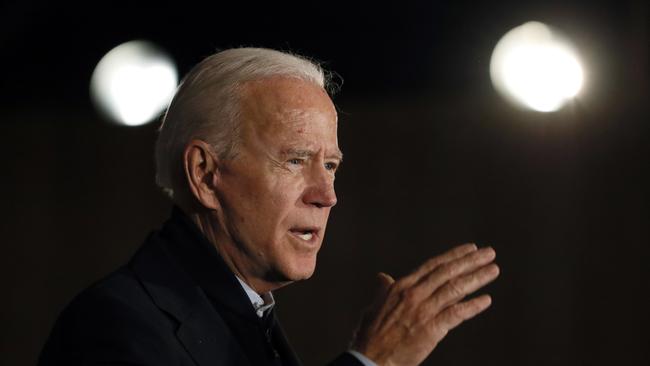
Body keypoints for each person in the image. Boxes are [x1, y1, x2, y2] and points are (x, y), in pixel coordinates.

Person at [38, 47, 500, 366]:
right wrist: (369, 362)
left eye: (332, 165)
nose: (326, 194)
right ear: (204, 174)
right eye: (295, 160)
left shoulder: (247, 316)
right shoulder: (115, 328)